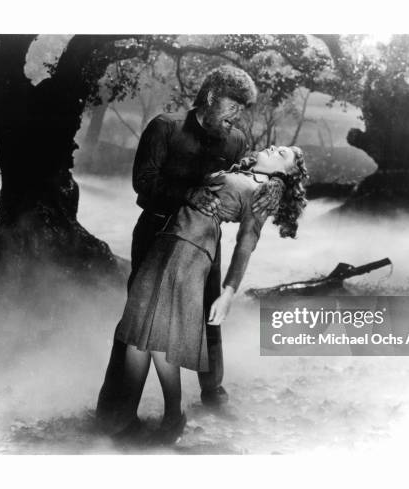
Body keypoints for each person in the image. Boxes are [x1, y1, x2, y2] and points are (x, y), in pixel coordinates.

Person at [95, 66, 285, 428]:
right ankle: (116, 411)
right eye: (233, 106)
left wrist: (271, 188)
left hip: (202, 242)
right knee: (139, 319)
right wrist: (189, 194)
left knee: (207, 316)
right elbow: (143, 181)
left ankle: (213, 393)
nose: (237, 115)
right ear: (211, 97)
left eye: (243, 109)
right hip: (154, 232)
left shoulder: (235, 141)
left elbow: (241, 185)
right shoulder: (164, 126)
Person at [112, 145, 308, 444]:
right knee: (137, 334)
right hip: (166, 239)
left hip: (192, 250)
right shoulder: (241, 171)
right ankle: (127, 421)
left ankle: (173, 416)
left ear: (283, 174)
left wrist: (228, 293)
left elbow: (246, 244)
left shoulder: (263, 191)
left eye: (281, 155)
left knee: (158, 338)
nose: (273, 147)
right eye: (277, 145)